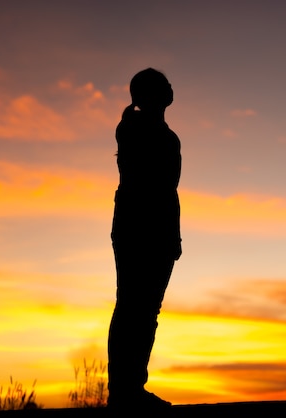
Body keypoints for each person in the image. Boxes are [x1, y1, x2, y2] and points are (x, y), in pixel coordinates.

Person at [107, 68, 181, 409]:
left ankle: (131, 388)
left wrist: (173, 235)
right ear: (148, 94)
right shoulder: (135, 129)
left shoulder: (165, 134)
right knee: (132, 307)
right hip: (138, 226)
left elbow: (169, 191)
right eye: (162, 83)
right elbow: (150, 187)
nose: (170, 86)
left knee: (146, 309)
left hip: (158, 229)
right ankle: (124, 392)